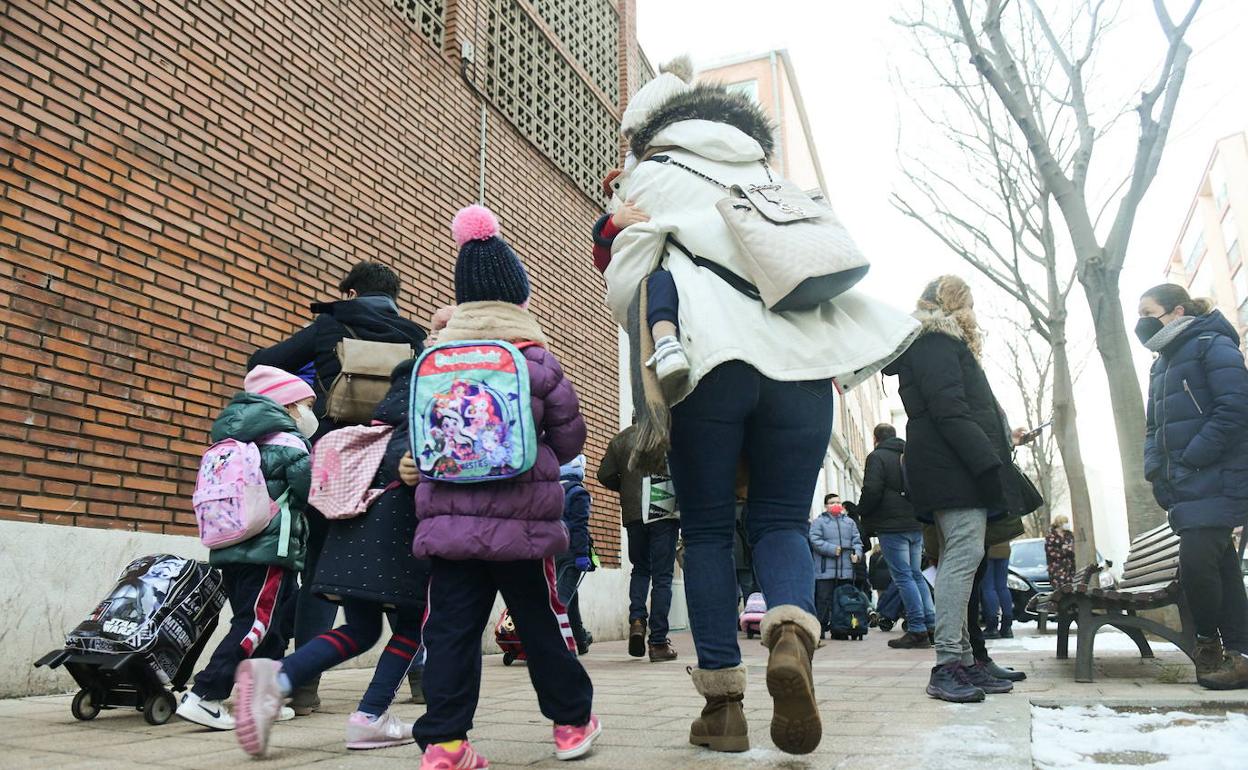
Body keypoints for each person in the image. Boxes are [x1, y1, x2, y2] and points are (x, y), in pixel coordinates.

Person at [601, 63, 918, 755]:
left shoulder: (651, 177)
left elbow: (626, 283)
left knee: (711, 535)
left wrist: (621, 227)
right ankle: (791, 636)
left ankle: (723, 710)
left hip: (711, 366)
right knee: (781, 522)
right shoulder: (767, 178)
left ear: (649, 133)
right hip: (803, 374)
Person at [408, 205, 600, 768]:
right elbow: (569, 443)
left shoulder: (433, 359)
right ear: (519, 297)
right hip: (523, 522)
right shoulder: (536, 359)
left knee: (449, 631)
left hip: (446, 523)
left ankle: (445, 745)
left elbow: (417, 439)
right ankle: (570, 724)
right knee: (540, 622)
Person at [248, 261, 427, 714]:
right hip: (394, 461)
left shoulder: (331, 324)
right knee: (401, 568)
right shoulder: (413, 336)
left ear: (349, 292)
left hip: (336, 458)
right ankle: (421, 680)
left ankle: (302, 688)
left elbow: (261, 364)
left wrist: (312, 392)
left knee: (320, 571)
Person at [227, 361, 430, 756]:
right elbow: (411, 463)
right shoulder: (418, 422)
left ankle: (279, 682)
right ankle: (368, 718)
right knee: (411, 628)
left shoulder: (368, 433)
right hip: (397, 539)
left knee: (361, 629)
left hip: (349, 539)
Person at [882, 275, 1033, 704]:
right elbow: (950, 409)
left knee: (961, 560)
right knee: (961, 562)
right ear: (956, 305)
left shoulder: (936, 342)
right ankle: (947, 662)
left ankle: (965, 660)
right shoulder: (936, 343)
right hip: (955, 469)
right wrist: (987, 461)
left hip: (952, 466)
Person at [176, 366, 313, 730]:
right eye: (306, 404)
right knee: (257, 622)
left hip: (231, 546)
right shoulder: (289, 442)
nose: (309, 413)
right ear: (287, 405)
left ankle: (259, 701)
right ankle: (205, 695)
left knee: (271, 625)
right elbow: (305, 493)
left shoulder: (231, 442)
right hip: (271, 549)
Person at [1138, 283, 1248, 689]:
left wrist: (1191, 459)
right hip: (1186, 484)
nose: (1142, 321)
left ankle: (1207, 643)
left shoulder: (1211, 344)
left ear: (1177, 310)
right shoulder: (1161, 363)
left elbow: (1235, 408)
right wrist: (1156, 470)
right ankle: (1241, 655)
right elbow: (1154, 427)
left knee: (1197, 566)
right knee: (1222, 569)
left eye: (1148, 311)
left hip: (1215, 478)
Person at [598, 425, 680, 662]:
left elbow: (604, 474)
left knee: (641, 569)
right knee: (662, 576)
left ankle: (636, 621)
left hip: (634, 512)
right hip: (662, 507)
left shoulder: (622, 439)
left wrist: (625, 486)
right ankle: (658, 642)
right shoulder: (668, 432)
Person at [858, 423, 935, 649]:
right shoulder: (910, 454)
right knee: (916, 575)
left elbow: (872, 489)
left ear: (876, 438)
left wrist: (863, 511)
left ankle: (918, 629)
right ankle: (931, 624)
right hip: (914, 521)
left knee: (903, 577)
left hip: (892, 526)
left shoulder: (877, 457)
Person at [809, 494, 864, 639]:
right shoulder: (819, 522)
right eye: (832, 502)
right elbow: (814, 540)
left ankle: (841, 628)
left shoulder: (849, 522)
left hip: (845, 570)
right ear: (826, 505)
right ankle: (819, 629)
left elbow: (857, 541)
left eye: (838, 502)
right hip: (824, 570)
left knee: (842, 601)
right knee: (823, 600)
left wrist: (857, 555)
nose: (836, 505)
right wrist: (832, 549)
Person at [557, 455, 595, 655]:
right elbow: (580, 527)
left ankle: (579, 640)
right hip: (571, 553)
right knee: (561, 600)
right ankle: (558, 646)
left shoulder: (552, 490)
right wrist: (582, 555)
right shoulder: (578, 493)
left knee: (568, 596)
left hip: (552, 552)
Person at [981, 541, 1015, 639]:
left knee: (988, 588)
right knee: (1002, 587)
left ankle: (992, 627)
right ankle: (1007, 627)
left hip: (988, 548)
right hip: (1004, 548)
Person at [1044, 515, 1076, 592]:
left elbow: (1073, 548)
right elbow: (1051, 552)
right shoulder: (1051, 536)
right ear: (1060, 524)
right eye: (1065, 522)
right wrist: (1064, 550)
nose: (1067, 524)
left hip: (1069, 568)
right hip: (1057, 569)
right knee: (1061, 592)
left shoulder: (1069, 535)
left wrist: (1068, 549)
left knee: (1070, 590)